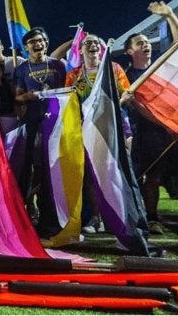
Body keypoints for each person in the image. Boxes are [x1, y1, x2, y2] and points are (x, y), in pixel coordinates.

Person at [121, 1, 178, 238]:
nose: (146, 45)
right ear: (129, 51)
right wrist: (163, 122)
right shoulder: (126, 76)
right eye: (140, 43)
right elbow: (137, 104)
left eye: (147, 42)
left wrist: (170, 15)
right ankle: (152, 218)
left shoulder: (162, 65)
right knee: (152, 176)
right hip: (150, 132)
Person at [64, 33, 131, 234]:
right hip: (86, 128)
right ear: (80, 50)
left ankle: (121, 216)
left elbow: (126, 92)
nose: (92, 45)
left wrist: (115, 104)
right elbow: (68, 100)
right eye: (87, 43)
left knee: (117, 171)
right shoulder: (74, 74)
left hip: (114, 125)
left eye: (96, 42)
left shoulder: (113, 68)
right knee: (92, 174)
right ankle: (95, 218)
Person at [13, 27, 67, 238]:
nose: (37, 44)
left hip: (56, 123)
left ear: (46, 43)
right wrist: (32, 96)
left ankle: (52, 219)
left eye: (41, 40)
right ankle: (27, 215)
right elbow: (17, 98)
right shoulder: (22, 69)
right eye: (32, 42)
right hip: (33, 124)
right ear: (26, 47)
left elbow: (68, 89)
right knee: (32, 170)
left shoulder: (58, 66)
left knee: (53, 171)